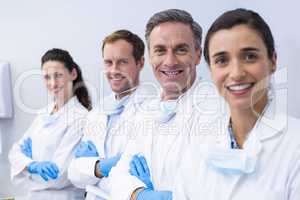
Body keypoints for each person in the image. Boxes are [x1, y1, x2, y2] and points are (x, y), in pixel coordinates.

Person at [173, 8, 300, 200]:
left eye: (249, 56)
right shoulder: (198, 147)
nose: (236, 73)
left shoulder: (294, 145)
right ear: (210, 69)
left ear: (272, 60)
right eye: (222, 60)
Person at [107, 9, 219, 200]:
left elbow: (216, 188)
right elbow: (118, 176)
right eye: (160, 50)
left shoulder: (217, 109)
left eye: (181, 49)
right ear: (150, 57)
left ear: (198, 55)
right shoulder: (146, 112)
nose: (170, 61)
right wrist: (138, 194)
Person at [67, 29, 148, 200]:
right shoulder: (97, 111)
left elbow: (132, 175)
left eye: (122, 62)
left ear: (140, 62)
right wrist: (100, 166)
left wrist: (91, 169)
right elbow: (74, 173)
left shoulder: (152, 110)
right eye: (108, 62)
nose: (114, 70)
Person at [9, 48, 91, 199]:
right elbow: (14, 152)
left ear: (73, 74)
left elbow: (59, 176)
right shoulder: (43, 114)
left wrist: (25, 165)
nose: (53, 83)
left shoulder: (81, 118)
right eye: (47, 77)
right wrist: (33, 166)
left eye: (58, 75)